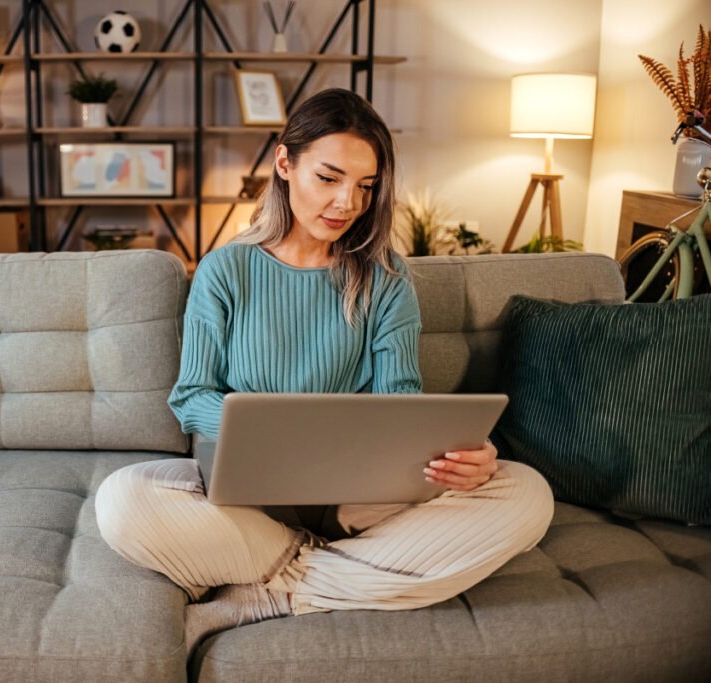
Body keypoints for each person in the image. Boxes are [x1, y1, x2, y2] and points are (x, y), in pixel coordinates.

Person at [94, 88, 554, 650]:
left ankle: (276, 589)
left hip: (363, 503)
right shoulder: (226, 270)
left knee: (527, 494)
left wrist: (460, 460)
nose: (347, 204)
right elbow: (192, 396)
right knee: (123, 499)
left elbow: (400, 402)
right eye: (329, 178)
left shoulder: (385, 277)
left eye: (365, 187)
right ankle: (346, 575)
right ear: (285, 164)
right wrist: (265, 434)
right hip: (249, 501)